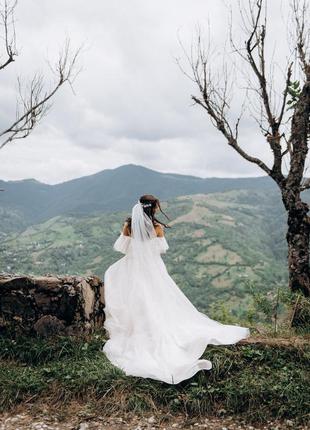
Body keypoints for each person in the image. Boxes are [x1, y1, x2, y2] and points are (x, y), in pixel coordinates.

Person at [102, 194, 250, 384]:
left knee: (135, 298)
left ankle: (136, 330)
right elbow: (160, 249)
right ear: (153, 208)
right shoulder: (157, 228)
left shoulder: (128, 226)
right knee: (156, 299)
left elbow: (122, 248)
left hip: (131, 268)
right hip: (153, 270)